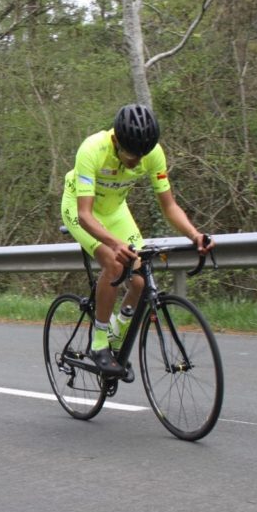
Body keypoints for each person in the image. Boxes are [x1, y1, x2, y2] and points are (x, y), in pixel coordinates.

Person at [61, 103, 214, 377]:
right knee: (114, 263)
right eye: (131, 155)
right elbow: (84, 215)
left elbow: (169, 206)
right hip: (81, 210)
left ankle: (116, 336)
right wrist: (114, 244)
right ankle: (99, 343)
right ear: (116, 141)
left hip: (115, 211)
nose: (136, 162)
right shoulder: (92, 149)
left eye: (141, 155)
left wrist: (194, 234)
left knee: (140, 281)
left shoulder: (153, 154)